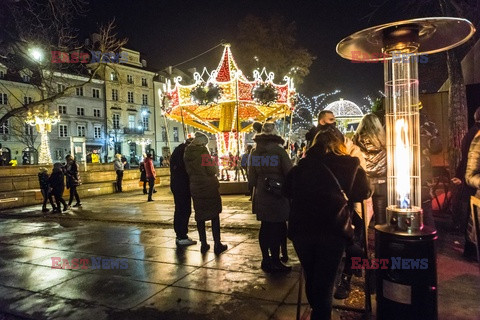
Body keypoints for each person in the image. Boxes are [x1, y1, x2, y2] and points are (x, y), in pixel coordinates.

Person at [285, 129, 370, 320]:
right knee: (325, 281)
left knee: (312, 276)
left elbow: (287, 189)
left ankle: (319, 311)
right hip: (332, 230)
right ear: (340, 144)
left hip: (302, 231)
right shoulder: (350, 165)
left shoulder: (301, 166)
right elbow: (364, 192)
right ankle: (321, 314)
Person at [249, 122, 292, 273]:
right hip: (278, 194)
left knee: (265, 227)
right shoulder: (279, 152)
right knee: (278, 226)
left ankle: (265, 259)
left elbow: (251, 178)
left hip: (261, 193)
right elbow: (289, 173)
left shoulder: (255, 153)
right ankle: (276, 259)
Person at [184, 132, 228, 255]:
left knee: (200, 215)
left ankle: (203, 244)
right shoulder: (203, 152)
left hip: (195, 187)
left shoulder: (187, 153)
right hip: (208, 187)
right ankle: (217, 244)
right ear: (203, 143)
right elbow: (211, 170)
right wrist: (215, 167)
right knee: (214, 215)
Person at [352, 114, 387, 225]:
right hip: (382, 180)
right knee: (380, 218)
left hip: (365, 180)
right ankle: (379, 240)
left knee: (362, 216)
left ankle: (364, 239)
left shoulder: (356, 139)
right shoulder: (384, 139)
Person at [170, 137, 197, 246]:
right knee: (184, 209)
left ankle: (181, 235)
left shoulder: (178, 150)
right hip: (182, 184)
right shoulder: (185, 151)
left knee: (180, 209)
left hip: (177, 183)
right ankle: (181, 235)